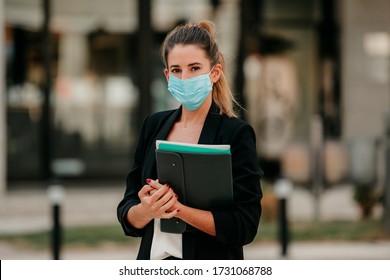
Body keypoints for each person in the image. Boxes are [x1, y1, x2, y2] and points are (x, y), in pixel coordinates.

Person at [117, 20, 263, 260]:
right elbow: (127, 214)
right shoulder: (153, 126)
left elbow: (244, 225)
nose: (184, 78)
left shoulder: (235, 135)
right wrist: (147, 210)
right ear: (167, 75)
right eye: (176, 70)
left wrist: (177, 210)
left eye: (194, 68)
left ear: (214, 72)